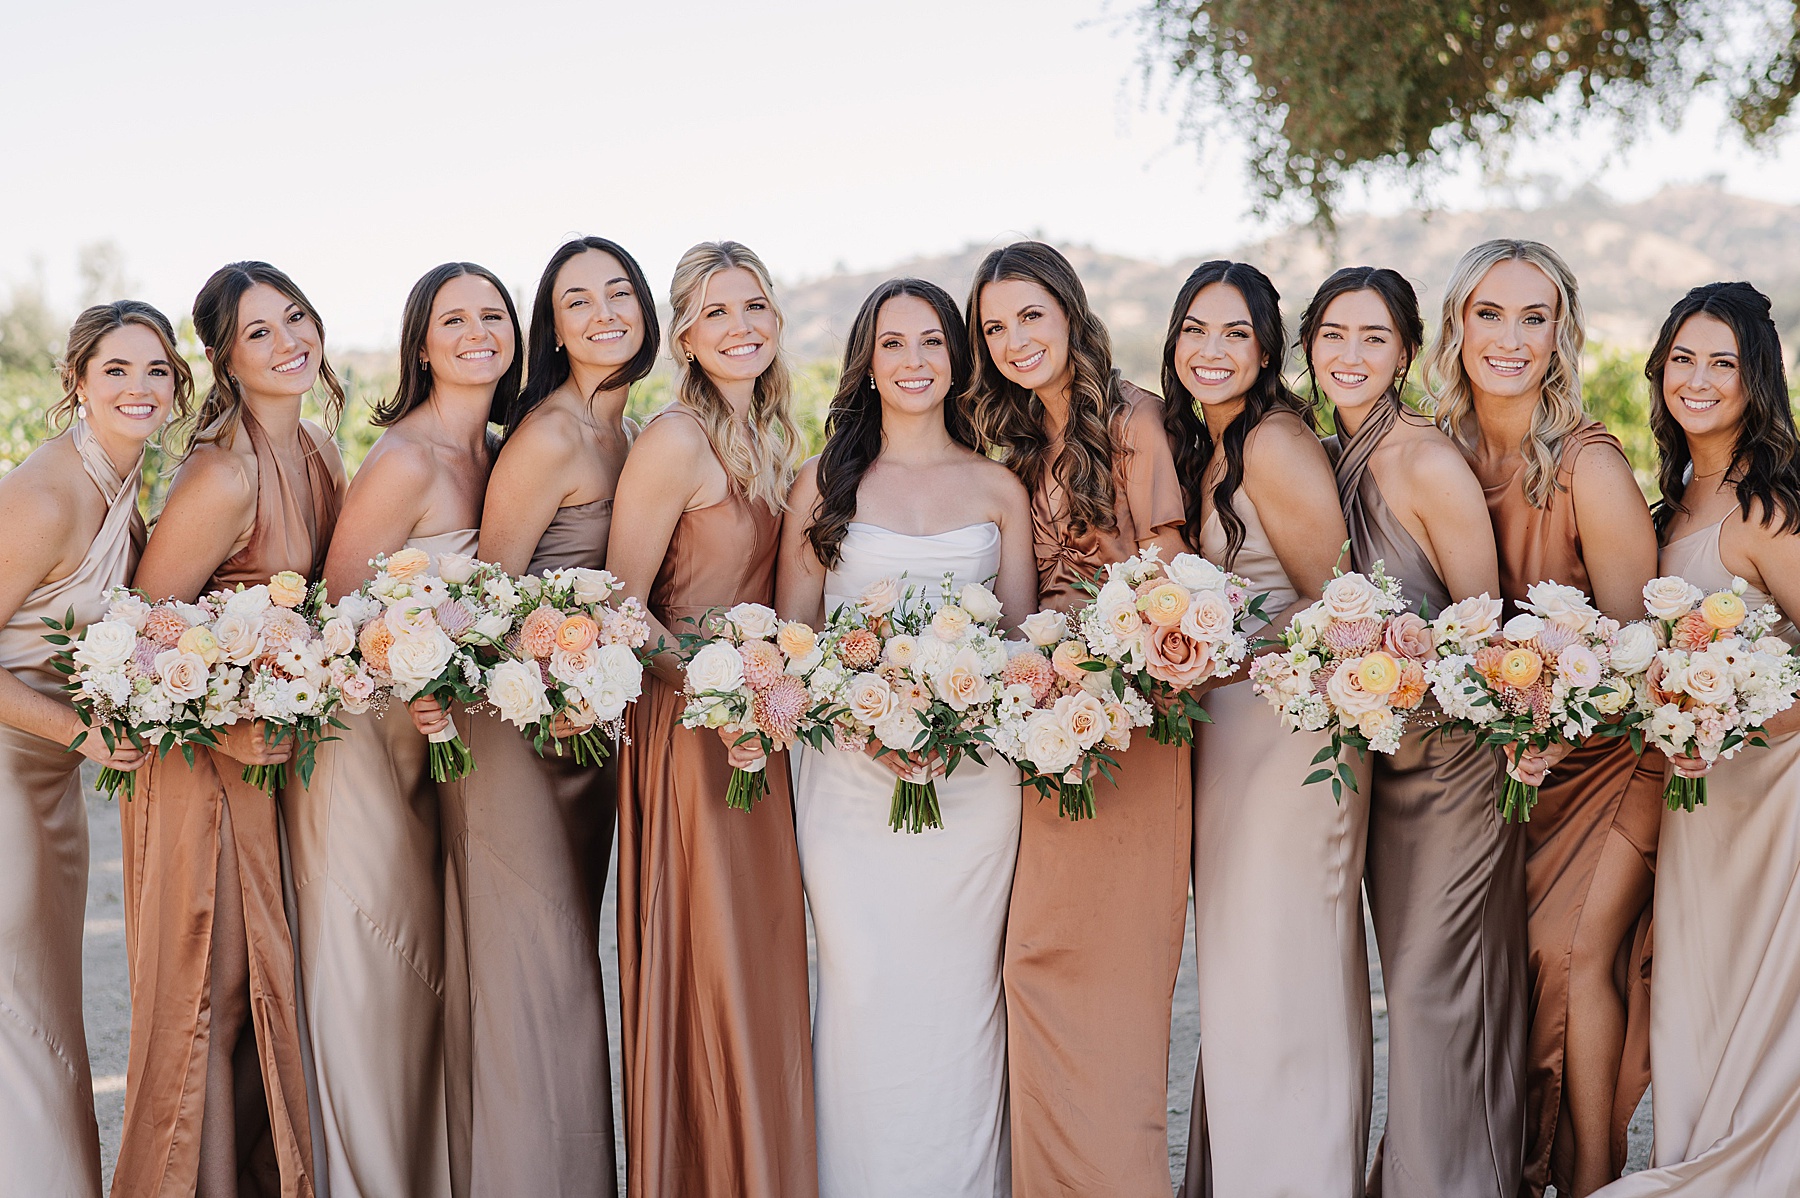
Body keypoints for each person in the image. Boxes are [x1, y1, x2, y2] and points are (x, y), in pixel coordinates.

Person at [776, 278, 1035, 1197]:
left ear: (958, 358)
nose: (916, 360)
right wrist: (866, 722)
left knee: (961, 1000)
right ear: (868, 360)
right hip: (848, 780)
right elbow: (791, 644)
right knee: (866, 987)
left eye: (933, 341)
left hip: (974, 787)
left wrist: (955, 718)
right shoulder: (825, 480)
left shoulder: (999, 486)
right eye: (894, 344)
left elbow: (1020, 647)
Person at [1426, 238, 1661, 1197]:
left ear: (1561, 331)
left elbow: (1640, 655)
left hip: (1609, 763)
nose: (1512, 338)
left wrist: (1553, 727)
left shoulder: (1588, 467)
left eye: (1535, 316)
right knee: (1511, 980)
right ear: (1457, 324)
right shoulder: (1435, 456)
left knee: (1569, 960)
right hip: (1502, 778)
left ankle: (1591, 1180)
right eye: (1490, 313)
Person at [433, 235, 657, 1196]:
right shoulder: (550, 436)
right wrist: (560, 682)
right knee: (540, 988)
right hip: (516, 733)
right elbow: (490, 598)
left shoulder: (631, 433)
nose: (605, 312)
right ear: (553, 330)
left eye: (620, 292)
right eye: (579, 301)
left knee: (569, 980)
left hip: (588, 739)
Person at [292, 261, 519, 1198]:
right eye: (453, 319)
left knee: (430, 989)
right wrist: (410, 676)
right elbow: (334, 615)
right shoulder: (405, 460)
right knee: (373, 982)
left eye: (493, 315)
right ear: (420, 344)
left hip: (445, 757)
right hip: (363, 750)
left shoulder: (503, 452)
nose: (477, 333)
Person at [968, 240, 1191, 1195]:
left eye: (1029, 315)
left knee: (1115, 996)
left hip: (1133, 733)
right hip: (1043, 734)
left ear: (1069, 310)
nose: (1015, 340)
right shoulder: (1009, 438)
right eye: (993, 327)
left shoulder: (1133, 420)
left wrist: (1099, 663)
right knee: (1034, 969)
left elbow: (1175, 580)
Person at [120, 263, 347, 1197]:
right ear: (223, 359)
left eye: (295, 317)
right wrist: (224, 732)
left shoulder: (324, 451)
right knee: (207, 1000)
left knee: (272, 993)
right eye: (259, 332)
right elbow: (140, 637)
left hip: (283, 757)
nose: (288, 340)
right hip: (206, 770)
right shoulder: (222, 474)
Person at [1303, 265, 1526, 1197]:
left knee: (1435, 994)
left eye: (1374, 339)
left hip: (1456, 769)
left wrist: (1406, 667)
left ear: (1403, 355)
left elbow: (1485, 626)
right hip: (1378, 765)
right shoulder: (1324, 453)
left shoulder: (1424, 460)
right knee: (1407, 986)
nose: (1350, 356)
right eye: (1332, 336)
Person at [607, 240, 816, 1197]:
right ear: (685, 333)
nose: (741, 328)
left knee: (765, 953)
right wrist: (715, 685)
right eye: (717, 312)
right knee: (713, 957)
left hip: (760, 722)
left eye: (756, 308)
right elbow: (619, 601)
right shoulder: (675, 439)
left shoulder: (776, 436)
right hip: (690, 731)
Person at [1167, 260, 1369, 1197]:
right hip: (1230, 734)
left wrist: (1214, 637)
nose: (1213, 351)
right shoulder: (1201, 444)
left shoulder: (1276, 444)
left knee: (1283, 977)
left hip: (1292, 737)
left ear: (1267, 349)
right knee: (1245, 984)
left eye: (1236, 334)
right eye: (1197, 331)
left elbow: (1339, 607)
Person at [1595, 281, 1800, 1196]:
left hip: (1776, 806)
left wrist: (1729, 714)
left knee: (1766, 1009)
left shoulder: (1769, 510)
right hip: (1699, 805)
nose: (1700, 378)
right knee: (1697, 995)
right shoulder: (1667, 504)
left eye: (1724, 362)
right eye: (1684, 358)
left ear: (1757, 379)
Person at [0, 302, 186, 1198]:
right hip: (7, 774)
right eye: (116, 369)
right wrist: (82, 733)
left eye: (156, 370)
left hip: (49, 786)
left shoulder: (126, 482)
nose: (138, 387)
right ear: (77, 380)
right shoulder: (46, 491)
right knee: (19, 1016)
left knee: (46, 1011)